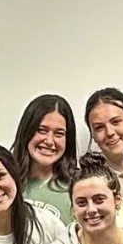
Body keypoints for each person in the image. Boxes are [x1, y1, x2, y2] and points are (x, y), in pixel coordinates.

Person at [12, 94, 81, 223]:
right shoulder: (5, 183)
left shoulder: (79, 186)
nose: (49, 141)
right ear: (26, 131)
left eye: (59, 133)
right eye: (42, 130)